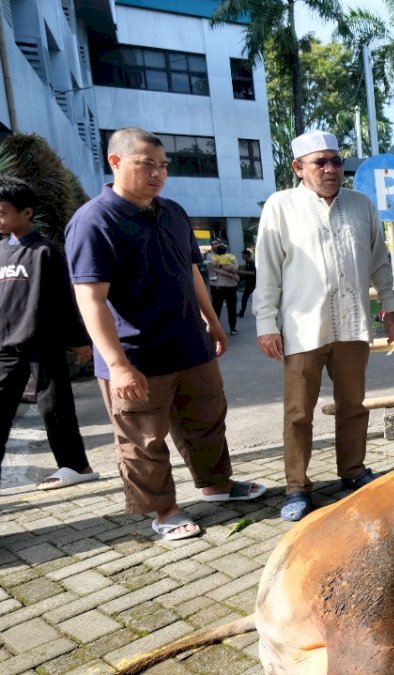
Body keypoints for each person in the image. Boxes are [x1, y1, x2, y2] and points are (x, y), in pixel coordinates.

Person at [65, 127, 265, 541]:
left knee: (207, 421)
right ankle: (164, 510)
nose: (158, 174)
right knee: (144, 439)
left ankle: (217, 486)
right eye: (146, 165)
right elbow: (91, 300)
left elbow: (192, 272)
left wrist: (211, 320)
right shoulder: (94, 222)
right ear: (115, 162)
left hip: (190, 345)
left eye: (163, 166)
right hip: (136, 355)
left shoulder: (173, 212)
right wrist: (118, 365)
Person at [255, 129, 394, 522]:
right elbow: (266, 269)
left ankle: (352, 471)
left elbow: (378, 261)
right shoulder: (281, 206)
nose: (331, 169)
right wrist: (266, 322)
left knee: (353, 405)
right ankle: (297, 487)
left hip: (352, 325)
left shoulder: (360, 205)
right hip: (302, 329)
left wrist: (390, 306)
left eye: (336, 161)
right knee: (298, 413)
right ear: (298, 167)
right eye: (320, 162)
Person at [0, 176, 99, 490]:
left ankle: (76, 466)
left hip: (43, 343)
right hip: (6, 346)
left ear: (26, 213)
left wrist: (79, 340)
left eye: (2, 212)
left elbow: (64, 300)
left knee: (54, 407)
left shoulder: (45, 252)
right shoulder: (0, 251)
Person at [207, 239, 239, 335]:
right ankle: (215, 330)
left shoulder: (231, 256)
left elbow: (235, 268)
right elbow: (214, 268)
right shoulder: (209, 256)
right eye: (212, 245)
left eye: (216, 244)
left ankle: (233, 328)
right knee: (216, 308)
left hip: (231, 285)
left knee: (232, 307)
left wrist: (220, 266)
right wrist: (231, 275)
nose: (215, 246)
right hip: (217, 285)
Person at [237, 248, 256, 318]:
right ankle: (241, 313)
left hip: (252, 283)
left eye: (243, 255)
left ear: (247, 255)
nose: (242, 256)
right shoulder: (248, 262)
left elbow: (252, 273)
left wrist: (241, 272)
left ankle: (242, 313)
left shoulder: (251, 262)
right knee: (245, 298)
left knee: (245, 298)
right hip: (249, 283)